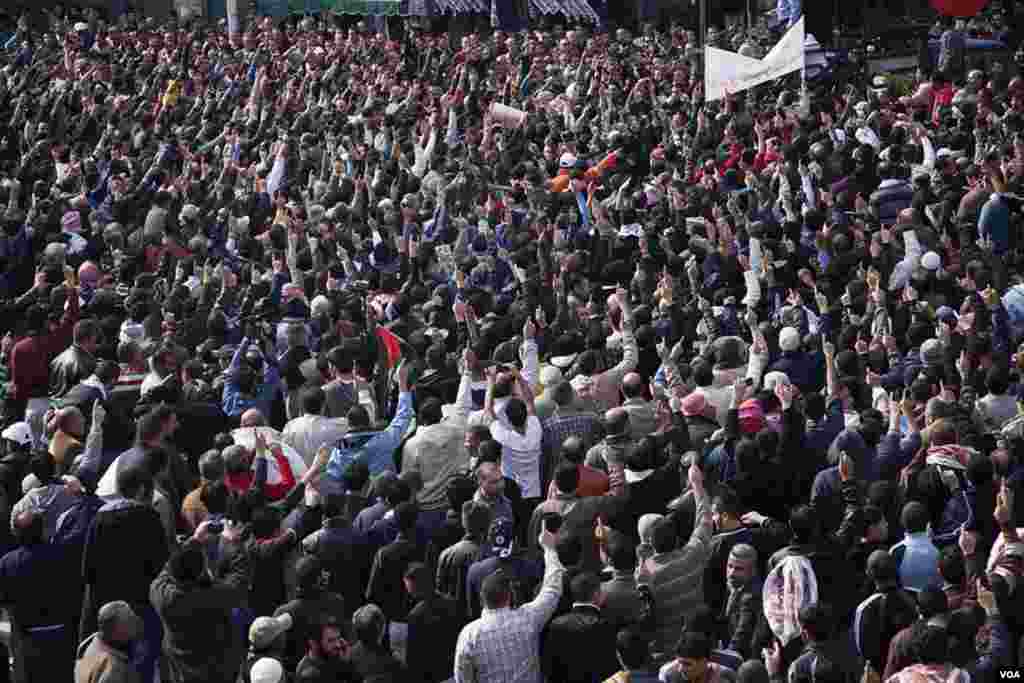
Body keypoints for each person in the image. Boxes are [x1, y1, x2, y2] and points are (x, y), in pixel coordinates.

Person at [454, 523, 564, 683]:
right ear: (509, 595)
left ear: (482, 598)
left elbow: (463, 678)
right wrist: (550, 549)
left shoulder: (469, 635)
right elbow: (553, 588)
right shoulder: (529, 619)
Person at [541, 571, 619, 683]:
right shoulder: (604, 626)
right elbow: (610, 669)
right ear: (597, 594)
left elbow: (549, 668)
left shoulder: (555, 624)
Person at [404, 561, 461, 683]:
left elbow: (413, 656)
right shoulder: (452, 603)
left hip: (431, 675)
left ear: (414, 585)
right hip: (452, 670)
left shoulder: (416, 615)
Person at [75, 601, 143, 683]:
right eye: (130, 621)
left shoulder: (88, 644)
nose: (136, 623)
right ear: (116, 631)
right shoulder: (114, 671)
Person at [295, 616, 356, 683]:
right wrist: (344, 666)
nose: (338, 645)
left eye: (338, 638)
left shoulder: (333, 656)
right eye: (330, 640)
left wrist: (348, 664)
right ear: (313, 643)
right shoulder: (308, 675)